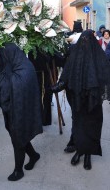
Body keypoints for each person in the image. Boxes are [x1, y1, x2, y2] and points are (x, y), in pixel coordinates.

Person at [51, 30, 110, 170]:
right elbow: (65, 75)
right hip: (77, 100)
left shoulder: (100, 57)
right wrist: (56, 86)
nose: (85, 42)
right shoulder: (74, 56)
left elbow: (106, 76)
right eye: (82, 39)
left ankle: (88, 155)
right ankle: (79, 151)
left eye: (87, 40)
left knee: (91, 127)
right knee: (79, 127)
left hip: (93, 102)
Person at [0, 43, 43, 181]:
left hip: (21, 111)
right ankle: (34, 155)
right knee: (18, 136)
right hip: (13, 110)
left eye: (5, 56)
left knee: (18, 137)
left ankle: (18, 170)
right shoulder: (15, 66)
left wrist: (6, 82)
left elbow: (12, 86)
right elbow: (1, 81)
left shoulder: (24, 69)